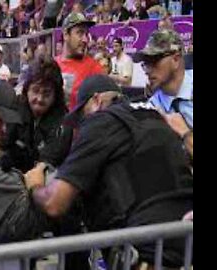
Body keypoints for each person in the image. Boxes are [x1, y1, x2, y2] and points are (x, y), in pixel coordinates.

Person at [25, 74, 193, 268]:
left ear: (96, 101)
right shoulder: (157, 116)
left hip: (147, 255)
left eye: (81, 116)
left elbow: (55, 203)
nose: (81, 126)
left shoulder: (101, 121)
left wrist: (34, 185)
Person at [10, 56, 73, 172]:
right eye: (35, 90)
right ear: (26, 89)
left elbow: (48, 162)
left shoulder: (63, 122)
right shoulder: (15, 108)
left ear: (56, 95)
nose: (39, 99)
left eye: (47, 93)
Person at [135, 29, 193, 128]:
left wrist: (186, 134)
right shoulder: (152, 108)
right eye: (146, 63)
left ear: (175, 60)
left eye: (154, 61)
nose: (147, 70)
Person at [55, 12, 104, 110]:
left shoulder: (94, 68)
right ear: (66, 35)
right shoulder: (52, 65)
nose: (85, 39)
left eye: (86, 34)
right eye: (80, 33)